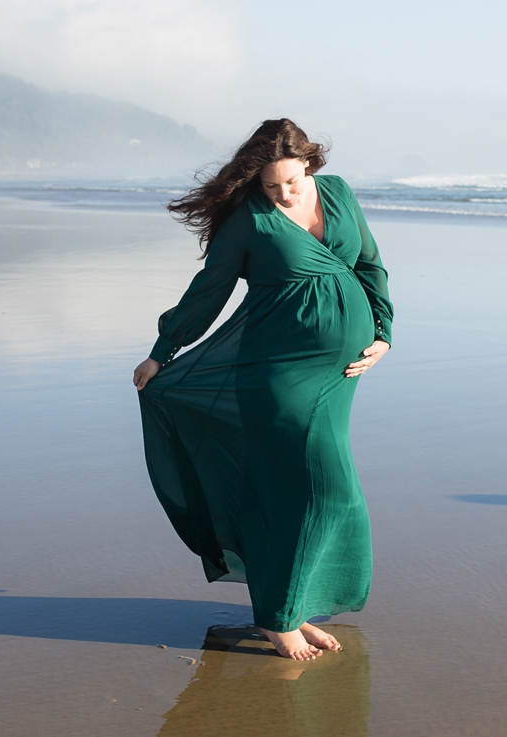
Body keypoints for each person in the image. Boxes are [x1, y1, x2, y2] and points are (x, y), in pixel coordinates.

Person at [133, 119, 392, 661]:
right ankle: (279, 619)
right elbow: (211, 288)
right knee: (328, 489)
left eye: (292, 182)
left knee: (294, 490)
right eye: (272, 185)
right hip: (279, 370)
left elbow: (368, 264)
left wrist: (383, 332)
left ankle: (291, 610)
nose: (283, 193)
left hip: (341, 372)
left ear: (310, 166)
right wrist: (164, 349)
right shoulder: (249, 217)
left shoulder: (340, 193)